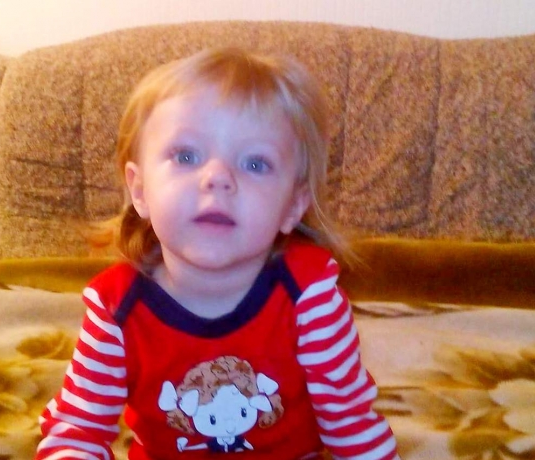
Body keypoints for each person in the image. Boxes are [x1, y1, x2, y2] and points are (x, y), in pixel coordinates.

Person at [36, 47, 398, 460]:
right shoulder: (115, 308)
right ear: (139, 190)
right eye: (186, 156)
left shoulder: (311, 296)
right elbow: (77, 432)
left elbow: (351, 423)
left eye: (255, 164)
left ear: (293, 207)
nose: (218, 178)